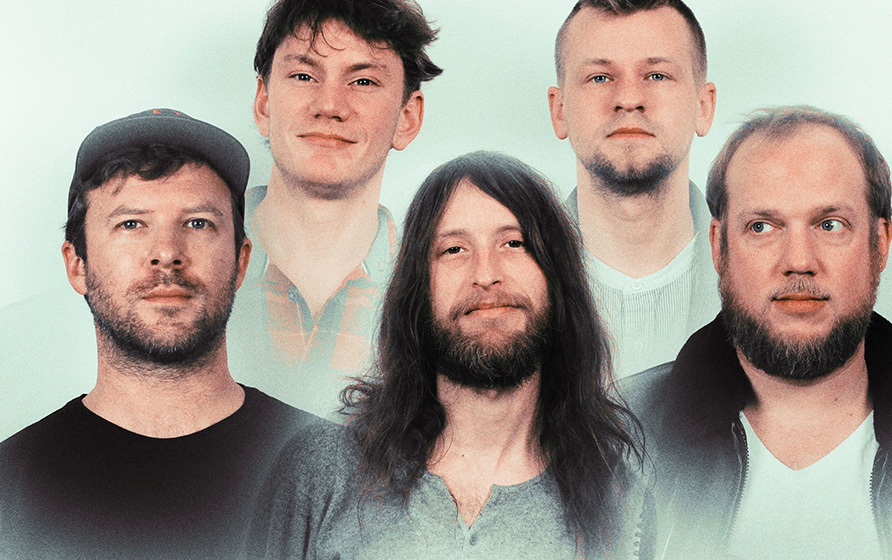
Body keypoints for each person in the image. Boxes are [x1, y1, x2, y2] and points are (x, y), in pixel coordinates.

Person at [247, 152, 652, 559]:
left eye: (514, 243)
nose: (485, 274)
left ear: (557, 277)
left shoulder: (621, 494)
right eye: (454, 249)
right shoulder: (320, 471)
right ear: (418, 290)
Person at [623, 107, 892, 560]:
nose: (798, 259)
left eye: (829, 225)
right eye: (762, 227)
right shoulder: (611, 438)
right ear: (718, 247)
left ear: (881, 244)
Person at [0, 108, 313, 560]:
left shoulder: (341, 476)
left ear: (242, 261)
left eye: (198, 223)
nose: (166, 254)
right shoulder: (9, 490)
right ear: (77, 265)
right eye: (131, 224)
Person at [227, 0, 440, 418]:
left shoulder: (444, 297)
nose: (329, 105)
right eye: (304, 75)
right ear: (263, 104)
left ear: (408, 118)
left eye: (363, 82)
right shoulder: (182, 272)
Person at [549, 0, 719, 378]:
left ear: (704, 107)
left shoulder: (765, 281)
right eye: (600, 77)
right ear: (559, 112)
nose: (628, 98)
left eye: (657, 75)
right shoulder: (503, 285)